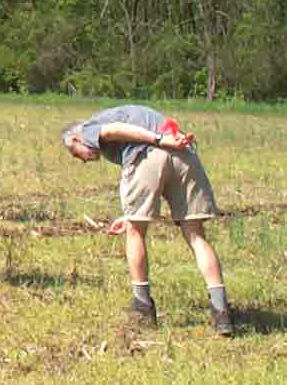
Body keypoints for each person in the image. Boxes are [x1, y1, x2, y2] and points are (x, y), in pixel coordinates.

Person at [62, 106, 232, 336]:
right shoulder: (121, 116)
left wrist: (160, 140)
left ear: (75, 139)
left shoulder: (88, 129)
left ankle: (142, 307)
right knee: (196, 235)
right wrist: (129, 215)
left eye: (75, 152)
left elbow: (114, 130)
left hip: (154, 150)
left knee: (135, 233)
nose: (81, 160)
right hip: (185, 155)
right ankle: (221, 311)